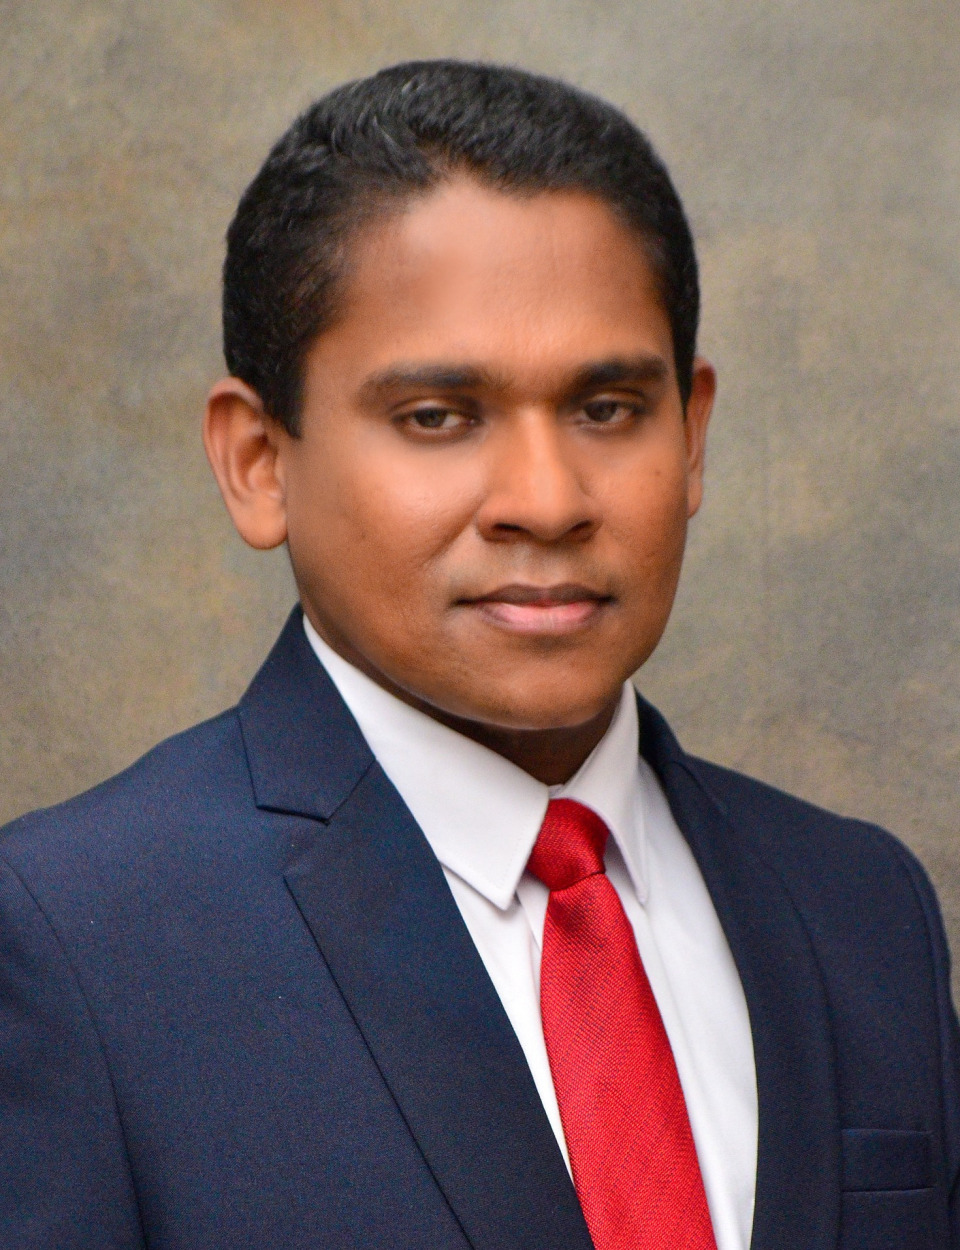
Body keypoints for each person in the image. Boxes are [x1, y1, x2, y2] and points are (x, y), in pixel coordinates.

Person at [0, 60, 956, 1250]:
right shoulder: (69, 937)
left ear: (695, 434)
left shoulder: (861, 907)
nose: (547, 501)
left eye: (608, 407)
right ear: (258, 460)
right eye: (438, 418)